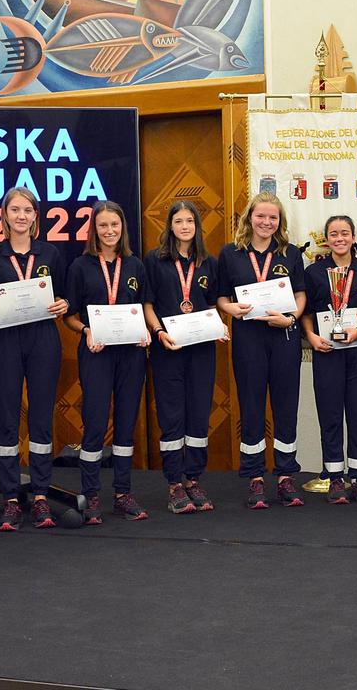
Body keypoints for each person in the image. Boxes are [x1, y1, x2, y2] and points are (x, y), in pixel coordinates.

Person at [0, 187, 68, 531]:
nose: (21, 216)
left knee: (42, 418)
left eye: (27, 210)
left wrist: (64, 304)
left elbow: (64, 295)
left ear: (35, 217)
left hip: (42, 337)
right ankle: (11, 498)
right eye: (14, 210)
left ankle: (41, 494)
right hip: (3, 339)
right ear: (5, 215)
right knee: (6, 420)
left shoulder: (52, 254)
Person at [217, 193, 307, 509]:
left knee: (285, 407)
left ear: (279, 222)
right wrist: (232, 309)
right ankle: (255, 478)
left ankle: (285, 478)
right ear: (249, 218)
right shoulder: (231, 254)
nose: (266, 222)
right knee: (252, 407)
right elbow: (221, 298)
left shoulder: (291, 254)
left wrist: (291, 318)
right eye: (261, 216)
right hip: (248, 338)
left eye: (273, 218)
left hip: (283, 337)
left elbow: (300, 295)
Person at [63, 201, 151, 523]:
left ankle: (123, 493)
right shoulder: (79, 266)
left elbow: (143, 308)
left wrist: (145, 332)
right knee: (96, 423)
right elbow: (69, 316)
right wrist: (85, 330)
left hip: (131, 353)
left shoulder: (135, 266)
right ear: (94, 230)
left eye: (115, 225)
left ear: (122, 228)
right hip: (96, 351)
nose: (110, 231)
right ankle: (92, 494)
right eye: (103, 226)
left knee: (126, 424)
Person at [143, 201, 225, 514]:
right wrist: (157, 332)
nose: (185, 226)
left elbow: (212, 303)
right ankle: (174, 482)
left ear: (197, 226)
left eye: (190, 220)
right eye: (179, 221)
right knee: (172, 414)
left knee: (199, 413)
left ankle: (193, 478)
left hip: (202, 348)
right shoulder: (156, 260)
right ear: (170, 225)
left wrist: (218, 327)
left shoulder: (208, 262)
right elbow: (148, 303)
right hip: (169, 347)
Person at [301, 215, 357, 503]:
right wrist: (311, 338)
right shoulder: (313, 272)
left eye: (344, 233)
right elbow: (306, 314)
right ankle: (335, 477)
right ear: (326, 239)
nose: (339, 238)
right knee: (330, 413)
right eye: (333, 234)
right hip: (327, 353)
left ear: (353, 237)